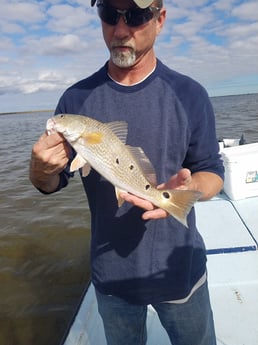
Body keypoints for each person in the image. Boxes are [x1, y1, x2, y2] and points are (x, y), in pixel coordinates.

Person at [30, 0, 224, 344]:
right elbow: (52, 182)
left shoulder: (190, 94)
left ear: (160, 19)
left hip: (179, 270)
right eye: (109, 14)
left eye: (135, 16)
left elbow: (211, 170)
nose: (120, 30)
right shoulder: (75, 99)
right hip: (112, 279)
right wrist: (39, 169)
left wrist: (189, 188)